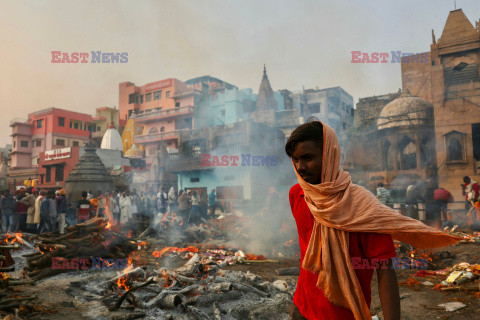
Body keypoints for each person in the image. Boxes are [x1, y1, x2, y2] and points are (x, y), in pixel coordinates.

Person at [285, 121, 459, 320]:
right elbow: (307, 253)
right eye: (295, 159)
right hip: (302, 309)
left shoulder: (362, 208)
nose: (300, 167)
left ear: (329, 155)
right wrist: (296, 304)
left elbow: (385, 273)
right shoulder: (297, 194)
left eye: (307, 158)